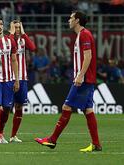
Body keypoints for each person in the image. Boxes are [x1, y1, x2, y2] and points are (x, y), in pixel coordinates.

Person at [35, 11, 102, 152]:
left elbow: (88, 56)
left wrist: (80, 75)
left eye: (71, 18)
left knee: (66, 107)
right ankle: (96, 144)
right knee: (87, 110)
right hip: (86, 79)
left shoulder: (84, 34)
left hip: (83, 79)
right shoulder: (81, 35)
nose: (68, 20)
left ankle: (52, 140)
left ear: (77, 20)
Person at [7, 20, 36, 143]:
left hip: (22, 77)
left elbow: (33, 48)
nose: (17, 29)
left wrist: (23, 33)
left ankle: (13, 135)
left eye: (19, 27)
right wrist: (12, 33)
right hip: (8, 77)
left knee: (19, 106)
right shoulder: (7, 40)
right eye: (15, 28)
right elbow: (8, 46)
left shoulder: (23, 40)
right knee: (5, 107)